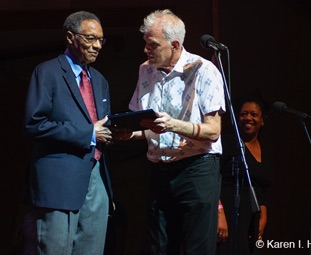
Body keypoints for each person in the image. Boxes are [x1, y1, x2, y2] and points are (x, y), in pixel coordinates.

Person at [118, 9, 226, 255]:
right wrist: (132, 135)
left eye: (153, 45)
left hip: (196, 169)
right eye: (145, 43)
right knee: (159, 247)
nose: (146, 49)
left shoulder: (204, 70)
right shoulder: (146, 70)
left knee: (196, 248)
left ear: (175, 44)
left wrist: (173, 124)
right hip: (160, 170)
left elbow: (213, 131)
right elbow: (153, 127)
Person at [23, 10, 114, 255]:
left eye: (101, 40)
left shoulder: (100, 80)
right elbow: (35, 124)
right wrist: (88, 133)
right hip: (59, 180)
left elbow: (101, 128)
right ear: (70, 37)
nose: (97, 46)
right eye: (90, 39)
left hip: (95, 178)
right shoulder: (48, 72)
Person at [216, 95, 272, 255]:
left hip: (250, 221)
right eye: (243, 114)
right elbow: (212, 179)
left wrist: (263, 215)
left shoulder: (264, 150)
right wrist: (219, 214)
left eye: (254, 114)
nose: (248, 118)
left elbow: (262, 188)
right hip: (227, 215)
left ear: (262, 120)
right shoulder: (227, 142)